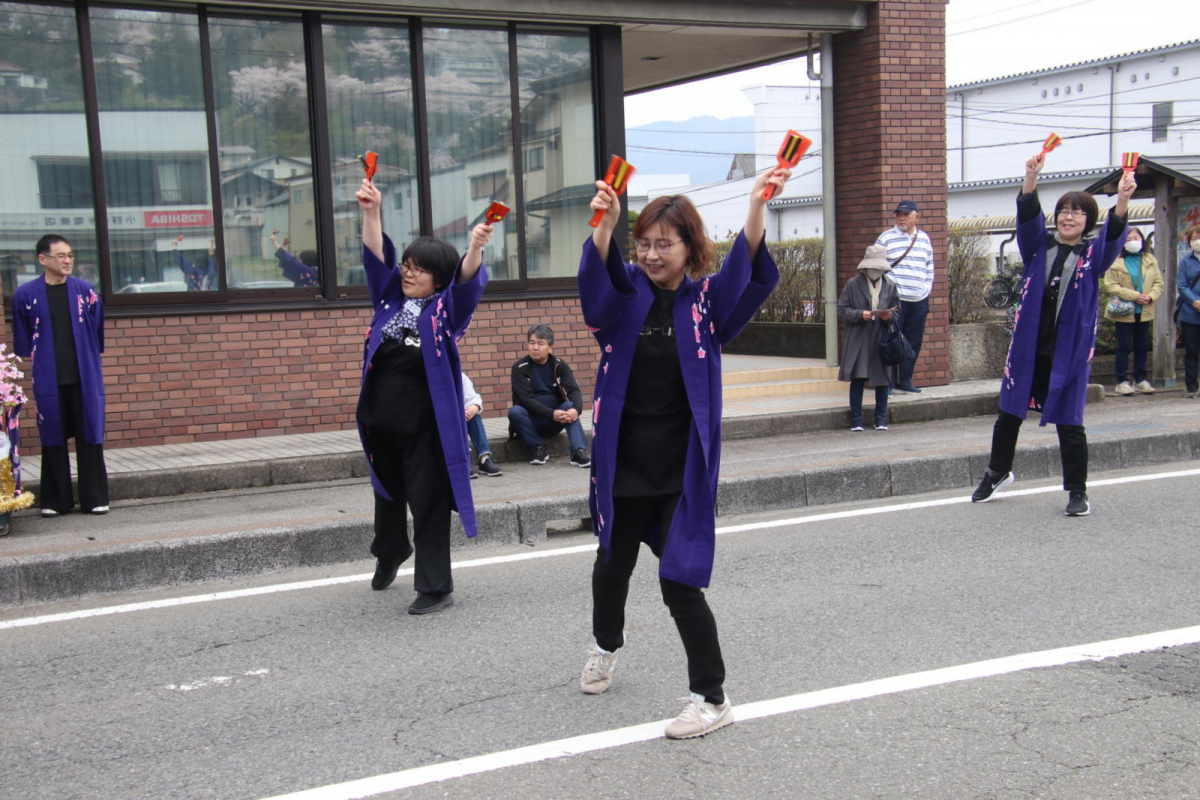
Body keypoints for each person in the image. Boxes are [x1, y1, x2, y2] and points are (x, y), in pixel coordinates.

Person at [579, 164, 789, 739]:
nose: (651, 254)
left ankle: (711, 698)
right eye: (643, 243)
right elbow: (594, 292)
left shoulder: (706, 304)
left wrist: (757, 203)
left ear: (689, 248)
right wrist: (605, 225)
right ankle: (605, 646)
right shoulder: (625, 294)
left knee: (679, 584)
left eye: (664, 244)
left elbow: (745, 268)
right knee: (611, 567)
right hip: (624, 464)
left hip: (680, 471)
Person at [354, 178, 491, 615]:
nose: (408, 273)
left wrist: (475, 247)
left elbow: (467, 284)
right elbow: (375, 258)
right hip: (381, 417)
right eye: (407, 265)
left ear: (439, 279)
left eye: (419, 269)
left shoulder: (444, 313)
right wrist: (372, 211)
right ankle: (391, 551)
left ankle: (435, 587)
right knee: (387, 494)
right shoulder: (389, 300)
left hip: (426, 425)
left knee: (427, 500)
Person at [971, 154, 1135, 516]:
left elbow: (1114, 234)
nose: (1068, 217)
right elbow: (1028, 214)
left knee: (1070, 422)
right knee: (1009, 414)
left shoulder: (1093, 255)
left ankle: (1077, 491)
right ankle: (997, 473)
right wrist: (1030, 176)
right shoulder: (1039, 246)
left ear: (1088, 220)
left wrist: (1123, 199)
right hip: (1029, 348)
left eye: (1077, 212)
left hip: (1069, 351)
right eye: (1063, 211)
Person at [11, 234, 110, 517]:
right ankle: (56, 501)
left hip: (84, 376)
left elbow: (97, 328)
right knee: (52, 437)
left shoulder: (85, 291)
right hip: (48, 377)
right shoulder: (25, 294)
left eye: (70, 255)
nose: (67, 260)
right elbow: (23, 333)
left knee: (89, 436)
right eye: (61, 256)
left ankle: (94, 498)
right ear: (43, 259)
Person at [507, 325, 590, 467]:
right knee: (515, 412)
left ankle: (578, 451)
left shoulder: (559, 365)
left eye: (540, 343)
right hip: (530, 422)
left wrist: (576, 410)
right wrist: (552, 413)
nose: (535, 348)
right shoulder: (519, 368)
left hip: (556, 420)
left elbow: (573, 390)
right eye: (532, 343)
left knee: (569, 406)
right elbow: (526, 399)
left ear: (550, 347)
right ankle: (538, 447)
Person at [836, 244, 900, 431]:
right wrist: (859, 314)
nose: (875, 271)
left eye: (878, 267)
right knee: (858, 378)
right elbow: (842, 310)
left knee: (882, 379)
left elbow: (898, 311)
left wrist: (888, 317)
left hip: (882, 336)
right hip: (859, 336)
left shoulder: (890, 285)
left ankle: (880, 418)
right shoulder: (853, 284)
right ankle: (856, 418)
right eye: (872, 267)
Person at [875, 200, 933, 394]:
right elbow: (874, 267)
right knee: (891, 340)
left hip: (919, 299)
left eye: (906, 214)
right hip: (896, 300)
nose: (901, 218)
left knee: (913, 341)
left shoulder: (924, 239)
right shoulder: (886, 238)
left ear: (917, 217)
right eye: (898, 214)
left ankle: (905, 380)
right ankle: (888, 383)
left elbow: (929, 267)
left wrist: (926, 288)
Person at [1103, 227, 1162, 395]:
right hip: (1124, 311)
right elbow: (1110, 285)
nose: (1132, 242)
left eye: (1135, 238)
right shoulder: (1116, 261)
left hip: (1144, 309)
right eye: (1128, 239)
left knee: (1142, 345)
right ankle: (1121, 380)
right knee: (1124, 346)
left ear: (1142, 240)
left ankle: (1140, 379)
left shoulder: (1150, 259)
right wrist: (1134, 296)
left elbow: (1158, 283)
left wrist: (1150, 297)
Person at [462, 371, 502, 478]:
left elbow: (473, 398)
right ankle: (464, 462)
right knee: (459, 418)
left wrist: (474, 407)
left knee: (474, 416)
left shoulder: (460, 376)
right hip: (444, 420)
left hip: (462, 414)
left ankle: (484, 459)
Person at [1175, 226, 1200, 399]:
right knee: (1191, 351)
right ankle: (1191, 386)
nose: (1197, 241)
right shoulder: (1185, 262)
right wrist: (1195, 301)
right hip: (1190, 313)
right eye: (1194, 238)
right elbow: (1182, 286)